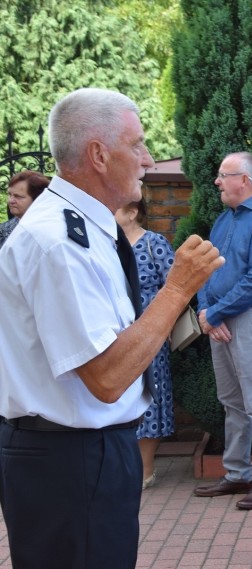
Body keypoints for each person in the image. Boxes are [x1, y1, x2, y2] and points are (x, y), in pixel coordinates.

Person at [0, 87, 223, 569]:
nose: (146, 159)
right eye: (137, 144)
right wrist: (178, 288)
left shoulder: (84, 227)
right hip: (71, 459)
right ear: (99, 155)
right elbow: (106, 377)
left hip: (88, 454)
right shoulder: (59, 240)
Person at [193, 151, 252, 511]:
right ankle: (237, 474)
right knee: (232, 403)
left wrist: (215, 313)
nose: (217, 181)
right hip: (220, 321)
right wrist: (207, 310)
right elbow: (206, 268)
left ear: (244, 180)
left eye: (223, 175)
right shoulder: (223, 220)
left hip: (249, 318)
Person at [116, 196, 176, 489]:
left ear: (132, 213)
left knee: (151, 398)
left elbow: (176, 286)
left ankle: (146, 470)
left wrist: (162, 323)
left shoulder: (154, 243)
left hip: (151, 335)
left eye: (115, 208)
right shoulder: (106, 244)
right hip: (115, 337)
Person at [0, 170, 50, 248]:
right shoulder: (3, 230)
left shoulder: (50, 231)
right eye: (10, 195)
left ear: (37, 199)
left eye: (18, 196)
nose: (10, 201)